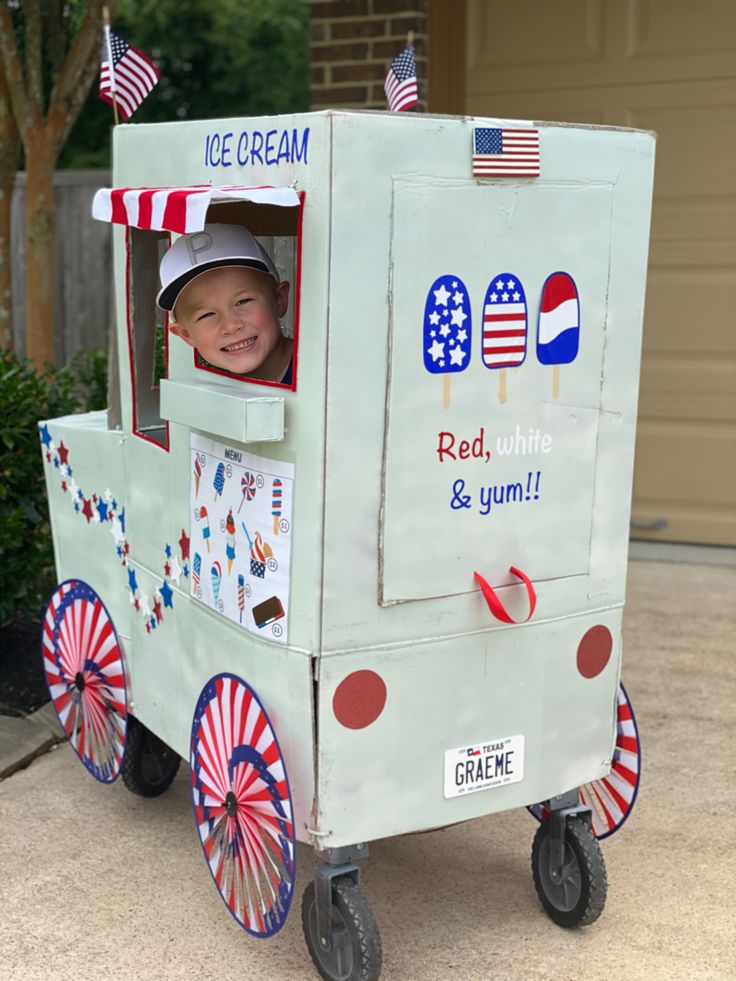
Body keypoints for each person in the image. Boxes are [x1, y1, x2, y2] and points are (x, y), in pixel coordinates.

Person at [156, 223, 293, 383]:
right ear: (186, 334)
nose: (231, 326)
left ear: (279, 300)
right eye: (207, 315)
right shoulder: (208, 391)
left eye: (243, 301)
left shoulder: (321, 371)